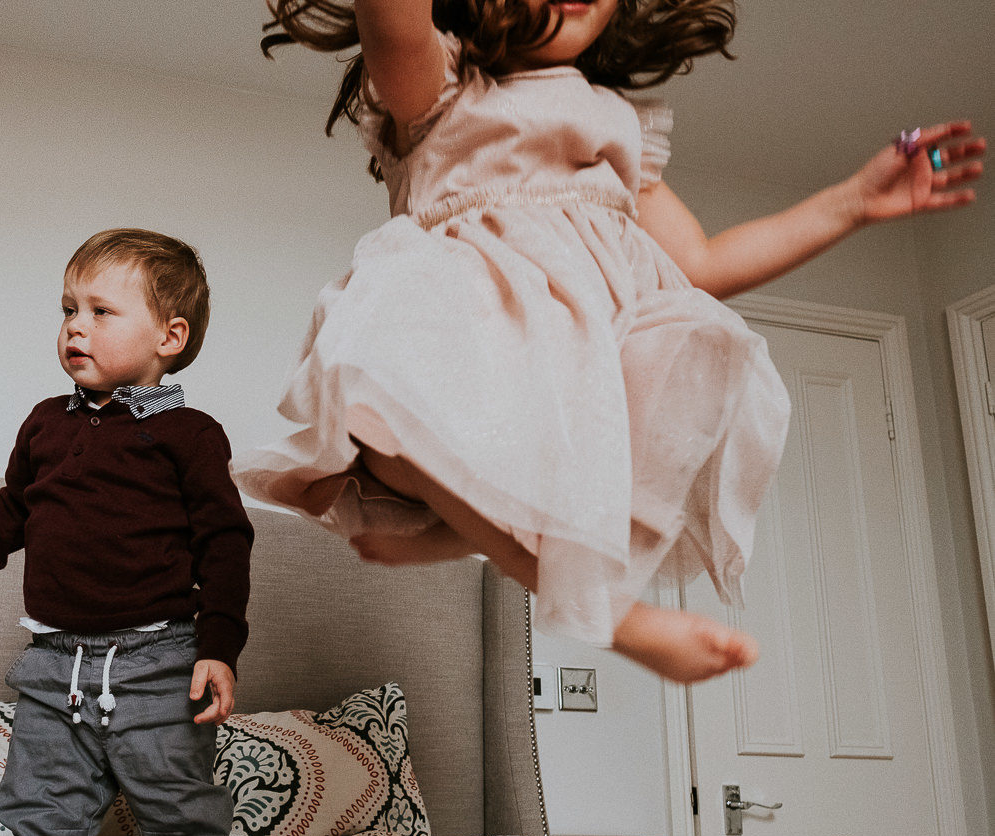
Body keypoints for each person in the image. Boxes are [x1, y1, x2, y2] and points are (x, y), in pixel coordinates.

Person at [231, 0, 985, 683]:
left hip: (575, 381)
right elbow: (392, 18)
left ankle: (465, 534)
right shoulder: (441, 88)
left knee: (701, 340)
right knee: (379, 368)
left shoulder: (617, 122)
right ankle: (611, 612)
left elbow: (701, 265)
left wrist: (849, 202)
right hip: (473, 357)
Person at [0, 228, 252, 836]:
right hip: (55, 668)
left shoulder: (190, 434)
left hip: (158, 661)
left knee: (179, 808)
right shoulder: (46, 424)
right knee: (39, 809)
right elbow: (10, 508)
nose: (76, 325)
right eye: (68, 309)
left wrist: (219, 646)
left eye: (101, 311)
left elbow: (226, 544)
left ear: (170, 336)